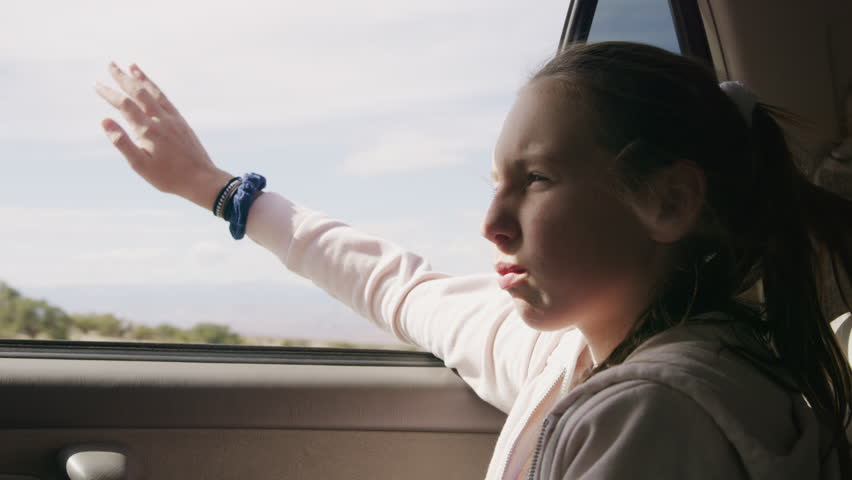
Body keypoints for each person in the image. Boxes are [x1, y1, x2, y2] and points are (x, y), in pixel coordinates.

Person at [95, 41, 852, 479]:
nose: (492, 224)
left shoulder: (651, 415)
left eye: (538, 181)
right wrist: (218, 190)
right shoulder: (572, 356)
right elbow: (401, 287)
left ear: (669, 202)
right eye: (496, 184)